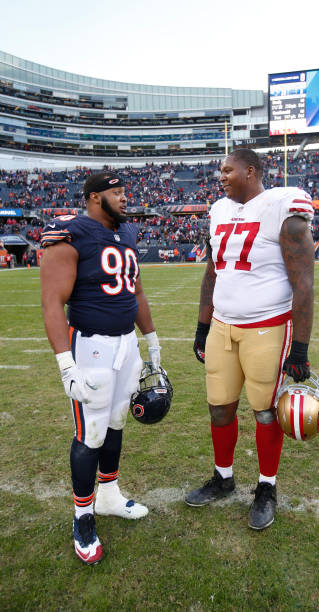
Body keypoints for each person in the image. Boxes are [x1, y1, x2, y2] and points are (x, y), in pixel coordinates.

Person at [186, 149, 315, 531]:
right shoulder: (218, 211)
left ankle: (266, 487)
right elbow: (212, 272)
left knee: (264, 411)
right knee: (219, 407)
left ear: (250, 171)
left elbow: (304, 283)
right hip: (223, 326)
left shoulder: (282, 206)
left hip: (268, 325)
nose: (221, 176)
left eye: (227, 170)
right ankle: (223, 477)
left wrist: (301, 347)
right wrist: (202, 324)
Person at [40, 171, 162, 565]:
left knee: (116, 422)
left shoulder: (125, 233)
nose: (126, 199)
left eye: (125, 192)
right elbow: (52, 303)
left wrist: (151, 338)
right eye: (117, 192)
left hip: (126, 343)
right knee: (91, 432)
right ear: (95, 198)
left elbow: (137, 290)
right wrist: (65, 365)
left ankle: (108, 495)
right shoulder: (71, 233)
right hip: (90, 345)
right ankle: (82, 515)